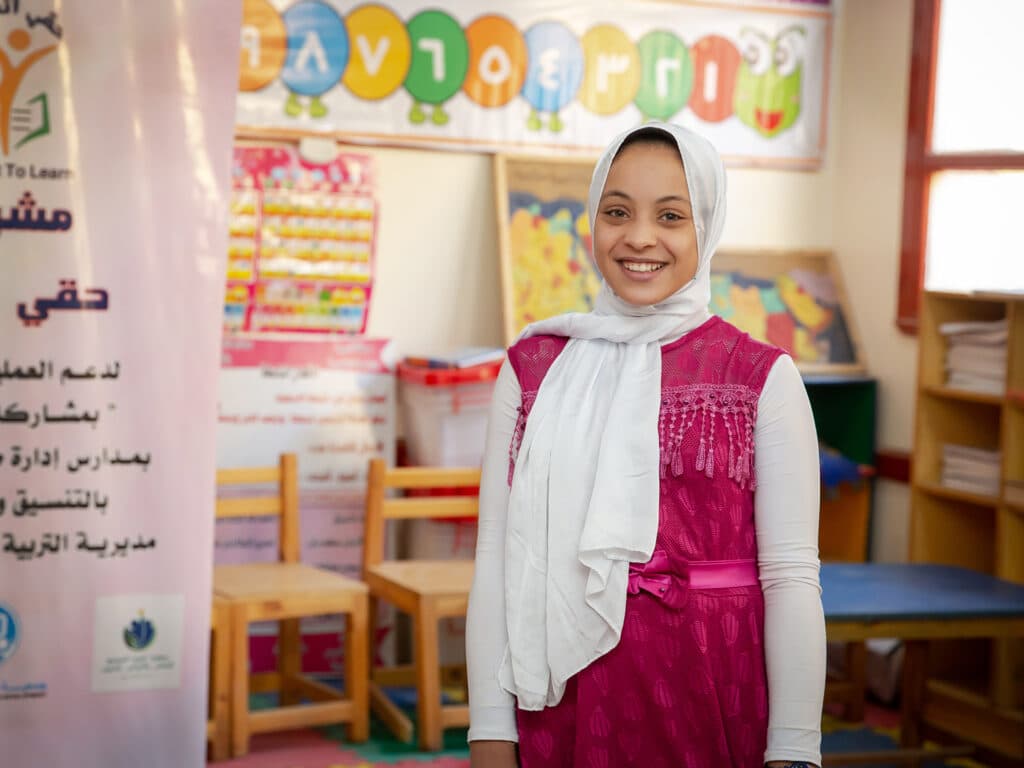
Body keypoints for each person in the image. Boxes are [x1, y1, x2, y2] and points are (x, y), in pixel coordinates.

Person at [465, 121, 826, 768]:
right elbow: (498, 558)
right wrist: (490, 730)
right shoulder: (532, 368)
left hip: (716, 688)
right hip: (565, 697)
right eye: (617, 211)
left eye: (670, 215)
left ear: (706, 227)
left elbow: (792, 577)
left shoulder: (760, 377)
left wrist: (795, 750)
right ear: (592, 220)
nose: (639, 237)